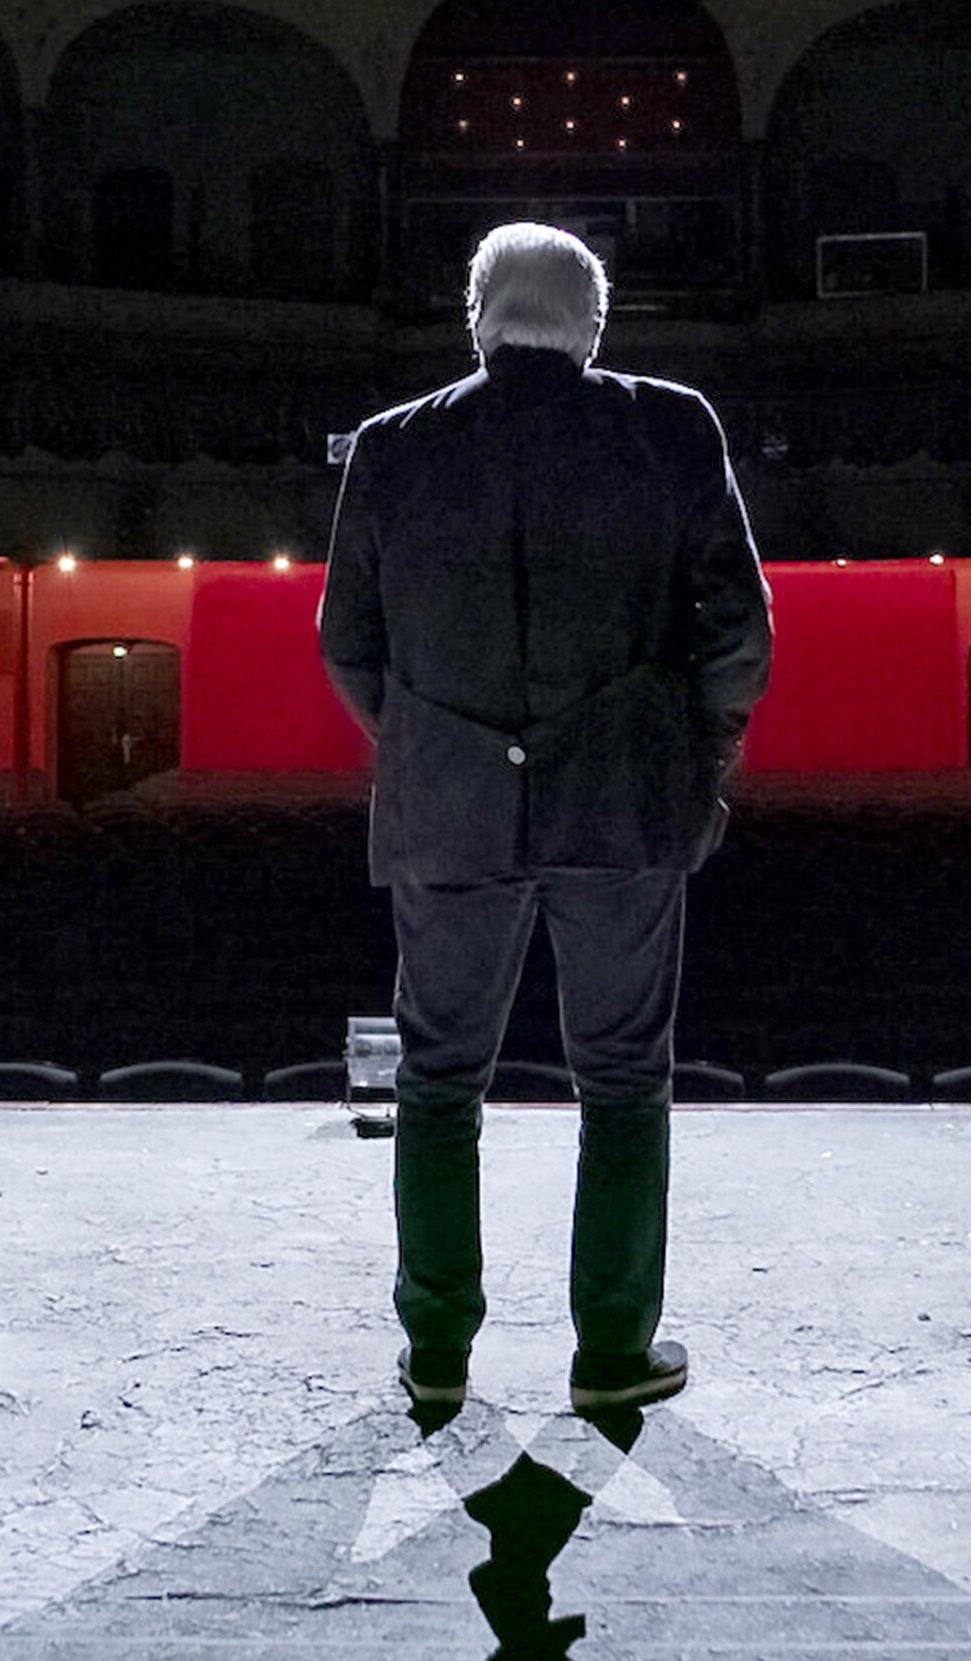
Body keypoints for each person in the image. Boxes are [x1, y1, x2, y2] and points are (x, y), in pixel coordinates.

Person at [316, 222, 773, 1415]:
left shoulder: (388, 447)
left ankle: (437, 1348)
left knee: (436, 1080)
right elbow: (738, 636)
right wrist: (691, 765)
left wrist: (441, 749)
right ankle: (612, 1356)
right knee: (622, 1079)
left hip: (448, 812)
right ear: (594, 326)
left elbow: (347, 642)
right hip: (623, 806)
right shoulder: (675, 426)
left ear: (477, 319)